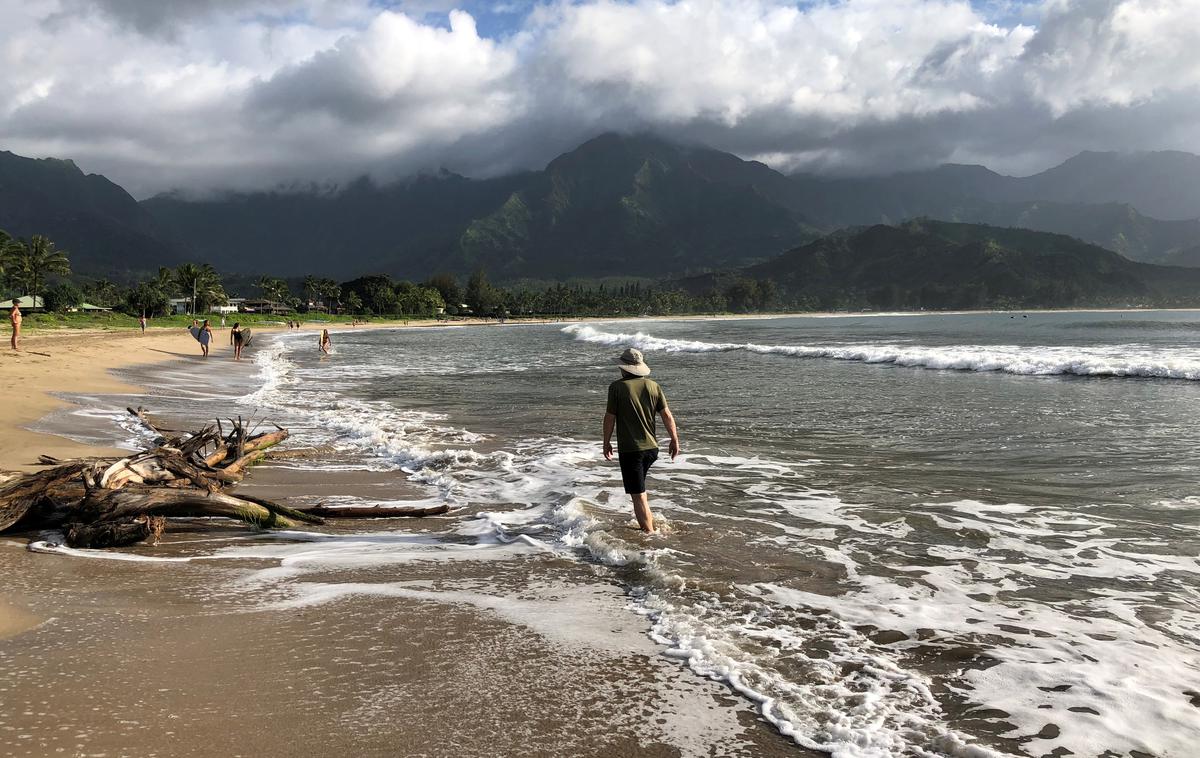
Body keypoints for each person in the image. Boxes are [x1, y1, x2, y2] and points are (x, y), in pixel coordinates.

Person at [602, 347, 680, 533]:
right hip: (651, 449)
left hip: (632, 450)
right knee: (641, 492)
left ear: (623, 368)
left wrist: (606, 442)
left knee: (638, 496)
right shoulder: (653, 386)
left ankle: (650, 537)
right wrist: (674, 440)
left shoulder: (617, 388)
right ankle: (649, 526)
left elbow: (610, 417)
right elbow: (667, 416)